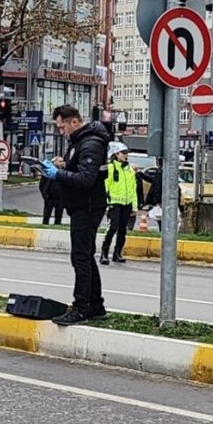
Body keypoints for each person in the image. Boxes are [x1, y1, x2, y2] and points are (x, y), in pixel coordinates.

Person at [40, 104, 111, 326]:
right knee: (86, 256)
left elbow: (85, 179)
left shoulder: (91, 143)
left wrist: (59, 174)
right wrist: (64, 164)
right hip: (83, 206)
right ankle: (96, 306)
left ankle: (81, 308)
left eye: (62, 127)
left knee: (80, 257)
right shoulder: (81, 141)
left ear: (74, 122)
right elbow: (81, 169)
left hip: (87, 207)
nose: (61, 132)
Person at [100, 142, 138, 265]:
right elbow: (105, 186)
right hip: (114, 202)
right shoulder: (110, 168)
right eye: (123, 153)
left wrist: (134, 206)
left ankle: (117, 253)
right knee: (112, 227)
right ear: (116, 154)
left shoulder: (129, 170)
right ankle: (104, 253)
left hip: (127, 203)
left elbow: (133, 189)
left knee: (123, 230)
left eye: (127, 153)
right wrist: (106, 202)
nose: (126, 156)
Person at [39, 157, 65, 225]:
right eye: (60, 161)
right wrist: (45, 195)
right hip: (50, 197)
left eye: (62, 161)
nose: (62, 163)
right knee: (47, 215)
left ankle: (57, 225)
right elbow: (42, 185)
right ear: (55, 162)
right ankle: (45, 225)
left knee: (58, 216)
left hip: (60, 197)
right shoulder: (48, 171)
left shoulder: (64, 172)